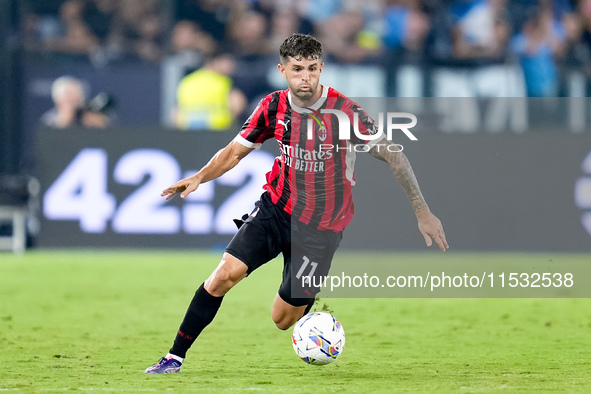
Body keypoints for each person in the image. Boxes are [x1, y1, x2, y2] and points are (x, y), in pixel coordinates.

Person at [145, 33, 448, 374]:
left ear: (322, 69)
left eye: (313, 69)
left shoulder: (345, 112)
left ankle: (307, 301)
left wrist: (422, 211)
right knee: (221, 278)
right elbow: (234, 151)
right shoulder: (273, 107)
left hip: (321, 228)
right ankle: (174, 357)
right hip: (275, 210)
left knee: (282, 319)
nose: (306, 77)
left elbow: (395, 156)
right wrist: (199, 176)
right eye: (297, 69)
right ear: (283, 70)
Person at [40, 76, 110, 128]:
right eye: (68, 96)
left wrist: (96, 121)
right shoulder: (50, 119)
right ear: (57, 100)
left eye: (75, 95)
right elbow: (49, 137)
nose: (72, 99)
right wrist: (66, 117)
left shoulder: (88, 114)